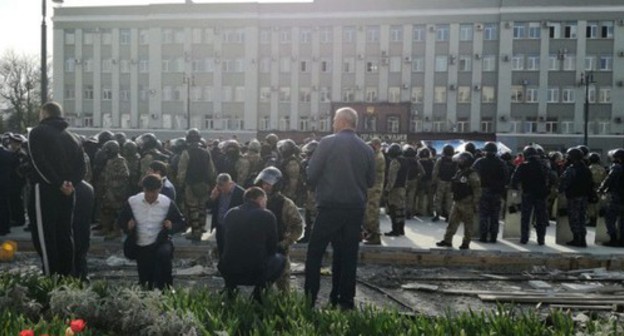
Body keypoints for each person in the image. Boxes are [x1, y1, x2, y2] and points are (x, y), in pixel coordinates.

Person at [304, 107, 375, 310]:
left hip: (330, 207)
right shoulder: (367, 148)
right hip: (355, 209)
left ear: (343, 121)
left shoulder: (327, 143)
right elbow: (370, 181)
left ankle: (310, 299)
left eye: (334, 120)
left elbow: (311, 175)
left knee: (315, 253)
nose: (333, 123)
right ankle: (344, 301)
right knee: (347, 256)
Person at [27, 101, 86, 276]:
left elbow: (39, 163)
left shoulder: (37, 132)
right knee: (65, 234)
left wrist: (58, 183)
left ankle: (50, 278)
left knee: (45, 237)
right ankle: (66, 278)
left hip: (45, 189)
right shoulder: (74, 137)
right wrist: (70, 184)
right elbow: (82, 168)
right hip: (68, 192)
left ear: (44, 114)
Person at [117, 174, 186, 290]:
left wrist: (171, 226)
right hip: (141, 245)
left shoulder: (167, 203)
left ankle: (166, 292)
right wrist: (127, 225)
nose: (150, 195)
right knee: (145, 280)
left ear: (159, 190)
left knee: (163, 265)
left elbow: (181, 222)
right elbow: (120, 221)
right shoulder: (133, 202)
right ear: (143, 189)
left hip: (160, 242)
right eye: (148, 192)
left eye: (154, 192)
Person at [218, 186, 286, 300]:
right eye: (265, 201)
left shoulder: (230, 213)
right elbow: (272, 247)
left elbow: (222, 241)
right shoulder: (267, 215)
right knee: (281, 259)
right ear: (259, 199)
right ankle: (258, 294)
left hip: (228, 269)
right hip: (255, 271)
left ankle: (230, 291)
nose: (266, 203)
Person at [255, 167, 303, 292]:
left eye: (269, 184)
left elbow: (298, 226)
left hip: (279, 248)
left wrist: (286, 242)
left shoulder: (286, 204)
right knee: (261, 286)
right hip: (260, 248)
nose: (266, 186)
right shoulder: (255, 201)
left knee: (283, 287)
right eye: (264, 183)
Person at [436, 152, 481, 249]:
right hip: (457, 201)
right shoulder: (459, 172)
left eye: (461, 160)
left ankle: (466, 243)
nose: (459, 162)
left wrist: (475, 204)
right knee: (452, 222)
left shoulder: (472, 174)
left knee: (468, 224)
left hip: (467, 202)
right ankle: (447, 240)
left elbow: (477, 190)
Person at [177, 128, 216, 241]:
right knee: (202, 207)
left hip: (190, 184)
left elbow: (182, 171)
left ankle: (196, 232)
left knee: (193, 208)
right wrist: (211, 183)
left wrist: (180, 184)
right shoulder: (206, 152)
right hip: (204, 184)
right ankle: (202, 227)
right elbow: (211, 170)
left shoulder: (186, 153)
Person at [511, 145, 550, 245]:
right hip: (541, 195)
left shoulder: (523, 166)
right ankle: (541, 239)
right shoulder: (544, 165)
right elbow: (551, 178)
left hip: (528, 193)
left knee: (526, 217)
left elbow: (514, 180)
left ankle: (524, 238)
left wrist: (517, 189)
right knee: (541, 217)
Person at [472, 142, 508, 243]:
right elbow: (506, 177)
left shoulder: (480, 162)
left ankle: (483, 236)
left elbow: (474, 176)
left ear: (485, 151)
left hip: (483, 191)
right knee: (494, 215)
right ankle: (493, 237)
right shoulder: (501, 163)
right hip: (496, 192)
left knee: (483, 214)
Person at [559, 147, 593, 247]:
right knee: (582, 218)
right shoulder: (586, 169)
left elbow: (564, 182)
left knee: (574, 218)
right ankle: (582, 239)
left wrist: (561, 191)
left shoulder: (571, 169)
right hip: (584, 197)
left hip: (574, 197)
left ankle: (577, 239)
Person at [99, 140, 130, 240]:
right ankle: (106, 228)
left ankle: (117, 231)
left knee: (117, 211)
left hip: (117, 190)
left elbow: (125, 175)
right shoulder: (110, 160)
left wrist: (115, 184)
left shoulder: (120, 160)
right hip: (109, 190)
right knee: (106, 209)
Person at [209, 173, 245, 254]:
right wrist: (212, 198)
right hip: (220, 225)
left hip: (233, 228)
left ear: (231, 183)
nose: (222, 190)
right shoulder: (217, 191)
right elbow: (208, 207)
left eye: (224, 187)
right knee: (221, 248)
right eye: (220, 187)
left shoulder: (241, 193)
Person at [599, 148, 624, 247]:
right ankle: (622, 240)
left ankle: (613, 239)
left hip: (617, 197)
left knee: (609, 218)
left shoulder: (616, 168)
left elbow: (608, 180)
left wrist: (601, 189)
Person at [363, 138, 385, 245]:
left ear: (376, 145)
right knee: (370, 212)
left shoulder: (378, 157)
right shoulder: (377, 155)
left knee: (372, 212)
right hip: (373, 188)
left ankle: (375, 236)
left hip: (374, 189)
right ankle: (370, 234)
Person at [384, 143, 409, 237]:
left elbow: (392, 177)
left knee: (393, 209)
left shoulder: (395, 161)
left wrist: (387, 189)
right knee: (401, 209)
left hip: (395, 189)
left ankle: (395, 230)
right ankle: (401, 229)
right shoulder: (405, 161)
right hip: (402, 188)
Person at [432, 144, 457, 222]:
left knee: (438, 199)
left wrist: (434, 181)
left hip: (441, 182)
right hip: (450, 182)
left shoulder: (440, 160)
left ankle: (437, 214)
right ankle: (448, 216)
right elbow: (457, 172)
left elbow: (435, 171)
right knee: (449, 200)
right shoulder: (455, 161)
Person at [587, 152, 606, 227]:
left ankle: (592, 220)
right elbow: (605, 179)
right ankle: (598, 219)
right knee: (598, 204)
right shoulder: (602, 169)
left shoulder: (589, 168)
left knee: (590, 205)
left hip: (591, 189)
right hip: (600, 188)